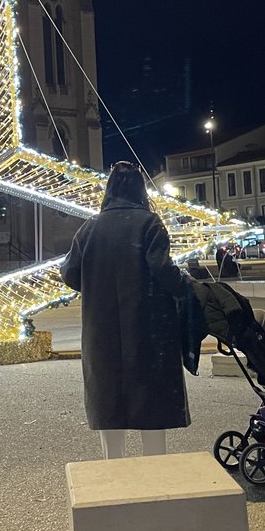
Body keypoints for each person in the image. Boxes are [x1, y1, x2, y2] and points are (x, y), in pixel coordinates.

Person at [61, 161, 191, 459]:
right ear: (139, 189)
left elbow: (69, 273)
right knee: (152, 402)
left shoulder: (89, 228)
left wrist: (97, 287)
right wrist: (184, 284)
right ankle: (155, 474)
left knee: (109, 401)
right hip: (147, 328)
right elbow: (162, 269)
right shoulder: (150, 223)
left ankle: (114, 471)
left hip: (101, 330)